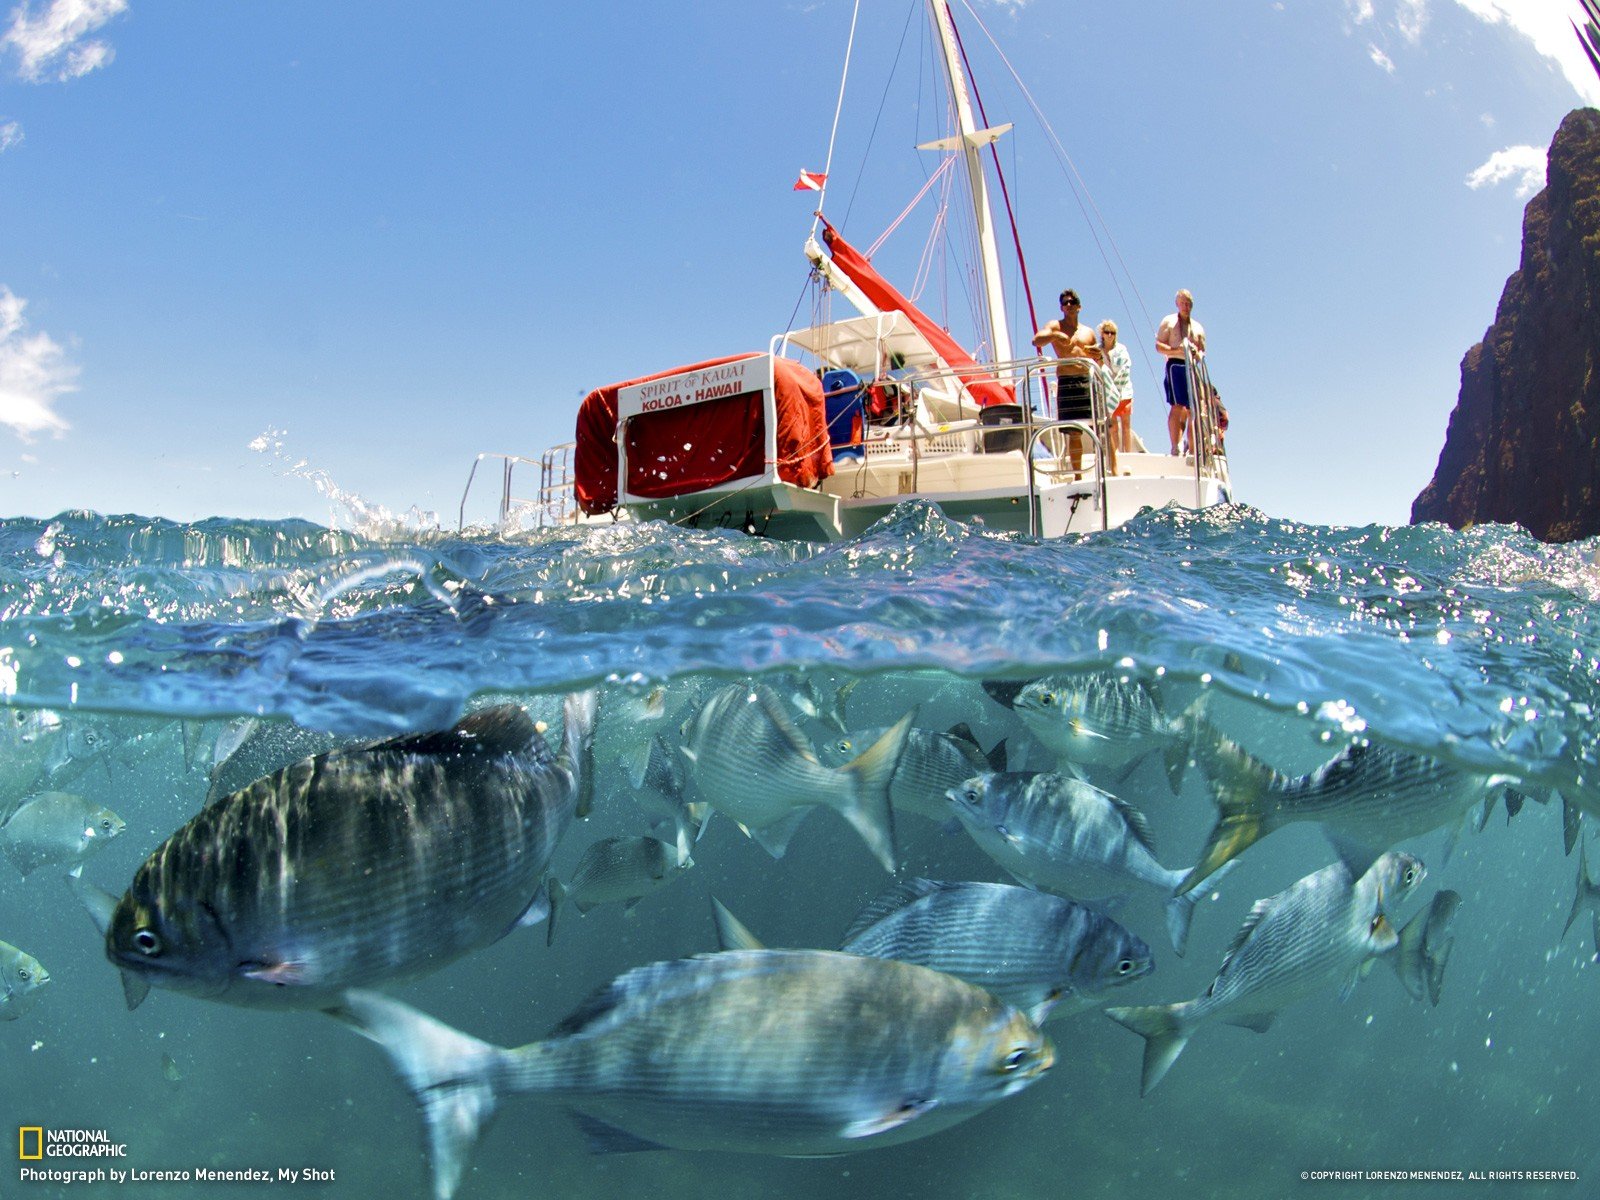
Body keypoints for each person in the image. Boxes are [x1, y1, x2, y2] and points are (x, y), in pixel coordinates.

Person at [1032, 289, 1102, 478]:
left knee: (1097, 428)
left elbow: (1098, 359)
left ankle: (1101, 471)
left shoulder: (1088, 332)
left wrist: (1099, 356)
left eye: (1072, 302)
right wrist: (1055, 336)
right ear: (1061, 307)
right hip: (1066, 381)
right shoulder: (1055, 326)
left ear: (1079, 306)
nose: (1069, 305)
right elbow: (1036, 340)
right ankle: (1078, 475)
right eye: (1065, 303)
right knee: (1074, 432)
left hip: (1085, 381)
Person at [1155, 289, 1206, 457]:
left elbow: (1202, 350)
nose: (1186, 306)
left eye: (1188, 303)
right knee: (1177, 406)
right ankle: (1175, 446)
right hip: (1175, 364)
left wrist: (1198, 353)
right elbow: (1159, 346)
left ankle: (1193, 448)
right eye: (1183, 303)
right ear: (1177, 304)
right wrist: (1177, 350)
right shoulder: (1169, 321)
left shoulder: (1197, 327)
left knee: (1194, 409)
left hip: (1192, 366)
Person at [1099, 319, 1134, 469]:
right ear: (1102, 334)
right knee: (1113, 426)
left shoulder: (1121, 349)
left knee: (1126, 424)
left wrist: (1116, 385)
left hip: (1123, 391)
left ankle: (1128, 454)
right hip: (1107, 392)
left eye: (1112, 333)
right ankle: (1117, 454)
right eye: (1107, 332)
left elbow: (1126, 367)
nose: (1109, 335)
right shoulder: (1098, 350)